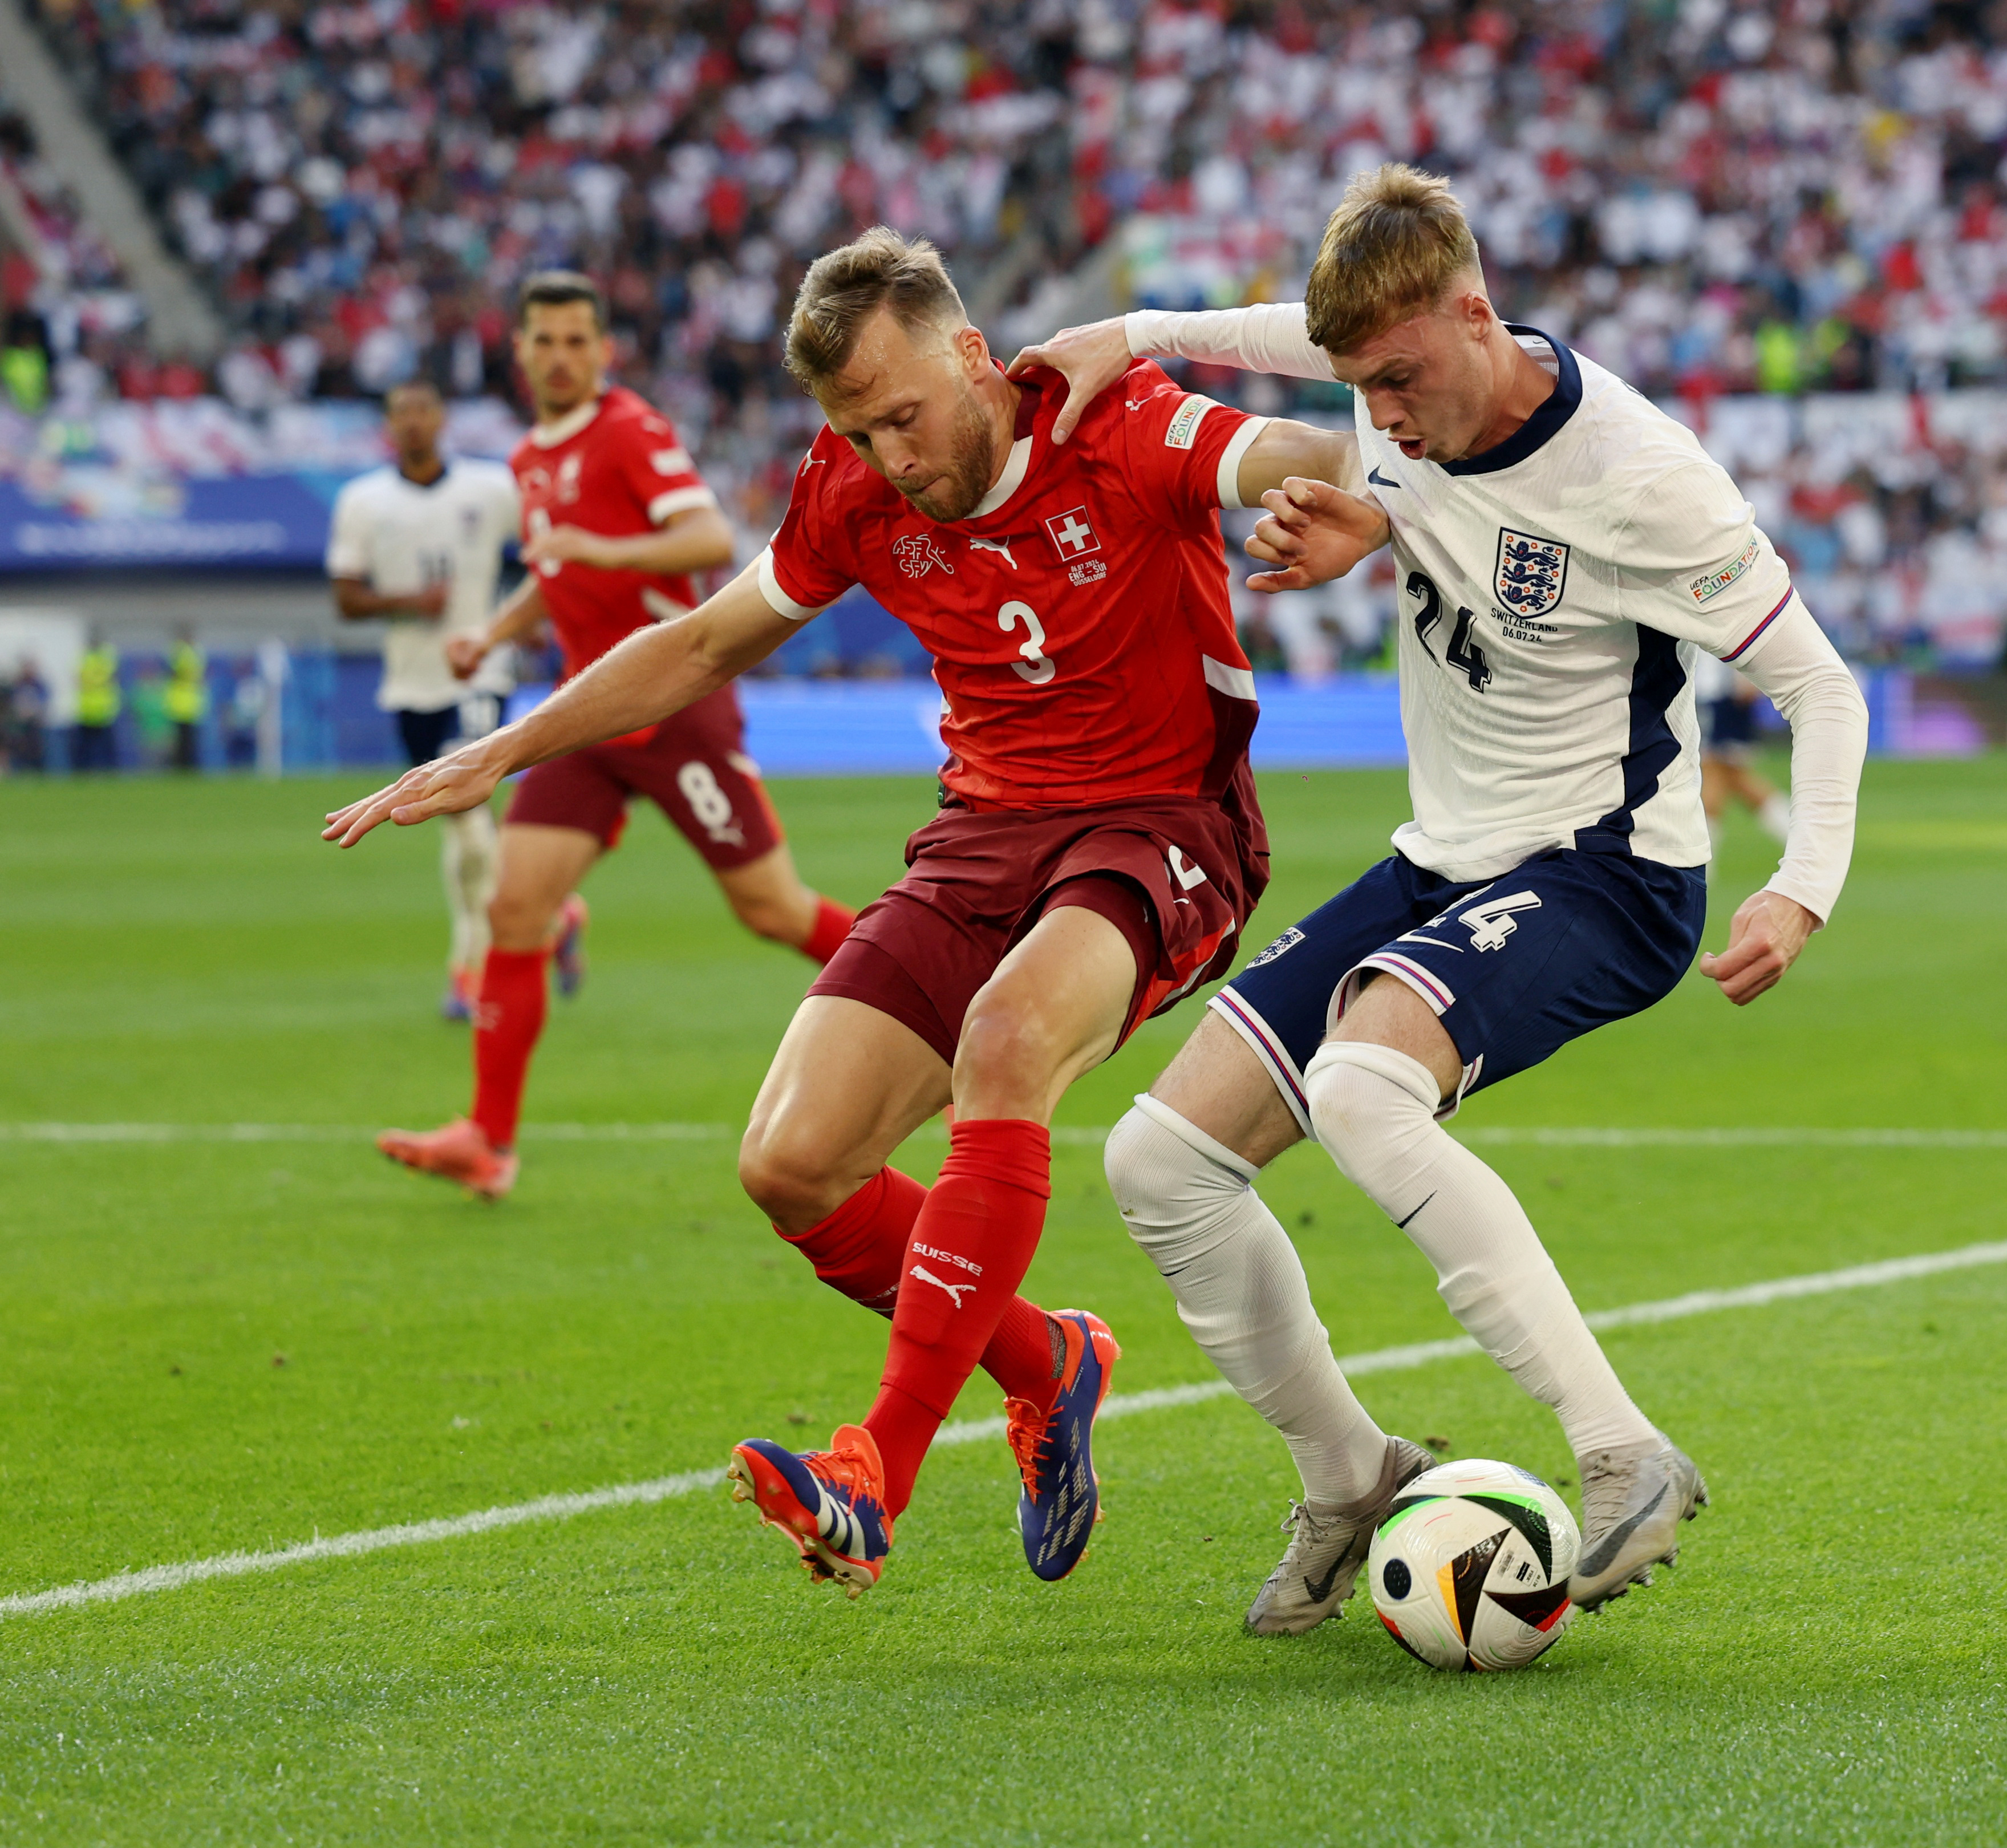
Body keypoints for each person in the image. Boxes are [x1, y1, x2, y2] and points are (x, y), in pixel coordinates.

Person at [324, 229, 1356, 1598]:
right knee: (788, 1163)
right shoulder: (848, 489)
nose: (891, 456)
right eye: (857, 430)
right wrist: (502, 746)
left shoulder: (1121, 425)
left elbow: (1311, 455)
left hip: (1159, 824)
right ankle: (1047, 1360)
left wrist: (1354, 494)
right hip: (980, 836)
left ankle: (875, 1466)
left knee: (1004, 1045)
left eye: (903, 414)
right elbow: (699, 641)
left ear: (973, 356)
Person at [1013, 164, 1867, 1631]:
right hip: (1443, 854)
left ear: (1477, 314)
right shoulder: (1384, 373)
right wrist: (1136, 335)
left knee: (1358, 1086)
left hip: (1608, 867)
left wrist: (1799, 887)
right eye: (1362, 388)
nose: (1381, 418)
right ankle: (1348, 1473)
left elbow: (1820, 688)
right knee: (1156, 1163)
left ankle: (1621, 1452)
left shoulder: (1644, 477)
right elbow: (1300, 334)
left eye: (1401, 380)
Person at [370, 272, 861, 1200]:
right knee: (513, 910)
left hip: (674, 710)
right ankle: (488, 1139)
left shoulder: (629, 430)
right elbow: (555, 570)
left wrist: (606, 550)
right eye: (542, 341)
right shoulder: (528, 458)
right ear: (518, 351)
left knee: (772, 911)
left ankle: (941, 1004)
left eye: (575, 341)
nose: (558, 356)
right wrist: (501, 629)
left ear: (602, 353)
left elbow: (708, 538)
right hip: (585, 716)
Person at [327, 379, 524, 1016]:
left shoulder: (490, 489)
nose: (413, 421)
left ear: (441, 418)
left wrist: (525, 619)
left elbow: (546, 548)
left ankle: (470, 970)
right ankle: (548, 912)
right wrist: (411, 602)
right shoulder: (363, 501)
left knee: (466, 826)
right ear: (389, 425)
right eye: (401, 412)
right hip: (409, 683)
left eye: (423, 409)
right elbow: (347, 597)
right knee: (457, 827)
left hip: (479, 677)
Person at [1694, 651, 1793, 874]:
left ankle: (1703, 863)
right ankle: (1799, 838)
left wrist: (1743, 686)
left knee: (1719, 779)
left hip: (1723, 707)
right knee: (1736, 782)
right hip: (1712, 705)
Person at [72, 638, 118, 772]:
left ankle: (98, 769)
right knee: (91, 745)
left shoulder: (86, 660)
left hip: (98, 708)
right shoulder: (105, 660)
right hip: (94, 708)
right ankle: (91, 770)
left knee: (97, 745)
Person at [165, 629, 206, 772]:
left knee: (187, 739)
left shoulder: (184, 653)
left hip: (188, 702)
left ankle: (186, 766)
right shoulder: (185, 653)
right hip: (182, 702)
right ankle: (183, 766)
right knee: (184, 740)